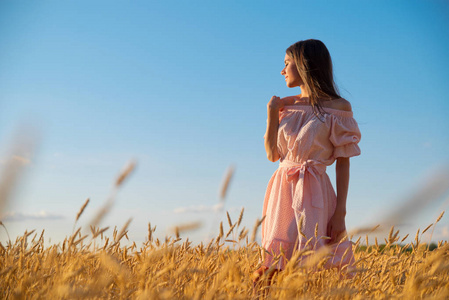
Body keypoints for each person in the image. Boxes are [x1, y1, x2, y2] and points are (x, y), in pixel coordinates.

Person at [253, 39, 361, 284]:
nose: (282, 71)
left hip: (315, 193)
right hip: (282, 192)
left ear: (304, 65)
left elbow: (344, 162)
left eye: (287, 63)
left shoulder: (338, 108)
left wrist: (340, 213)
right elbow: (272, 155)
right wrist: (271, 114)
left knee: (314, 265)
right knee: (270, 269)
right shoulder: (283, 107)